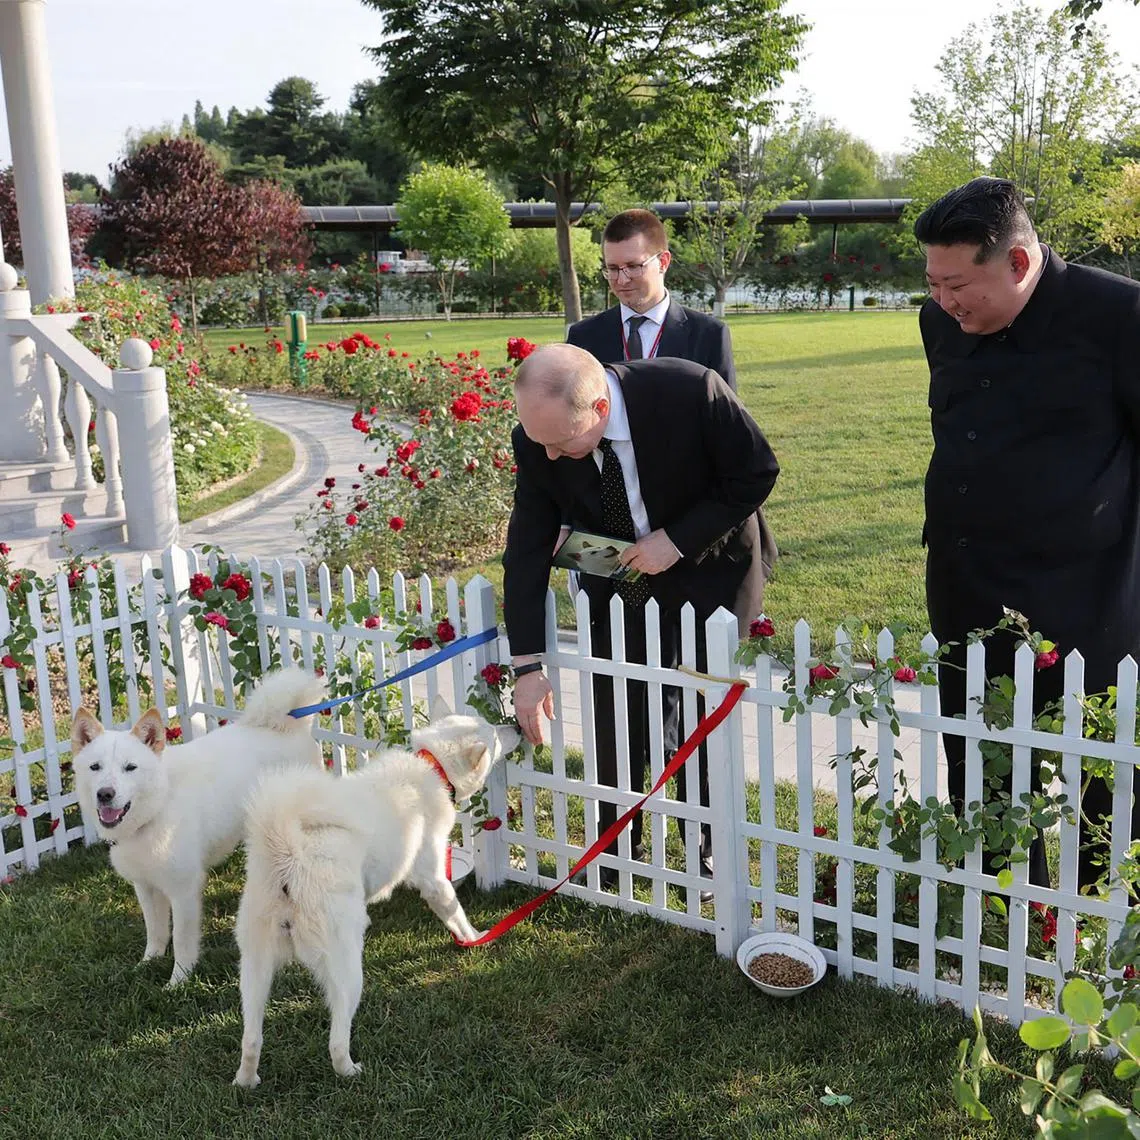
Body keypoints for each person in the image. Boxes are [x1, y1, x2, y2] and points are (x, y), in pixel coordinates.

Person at [915, 176, 1140, 888]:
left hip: (1086, 592)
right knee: (975, 752)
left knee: (1098, 763)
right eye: (933, 282)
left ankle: (1100, 913)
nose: (944, 303)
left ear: (1017, 262)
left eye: (958, 285)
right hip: (964, 581)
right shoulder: (938, 320)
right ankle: (1001, 896)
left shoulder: (1120, 316)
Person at [502, 343, 779, 898]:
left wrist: (674, 543)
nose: (549, 457)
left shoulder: (690, 390)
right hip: (616, 580)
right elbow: (527, 547)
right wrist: (527, 665)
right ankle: (617, 848)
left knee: (700, 715)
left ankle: (704, 850)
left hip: (710, 568)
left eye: (560, 443)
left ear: (599, 410)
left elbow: (754, 473)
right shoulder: (540, 438)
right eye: (539, 442)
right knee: (617, 708)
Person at [567, 208, 736, 386]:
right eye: (613, 269)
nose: (622, 280)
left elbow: (724, 412)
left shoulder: (708, 335)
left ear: (663, 262)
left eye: (633, 266)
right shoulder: (583, 337)